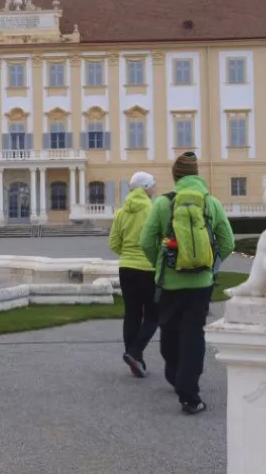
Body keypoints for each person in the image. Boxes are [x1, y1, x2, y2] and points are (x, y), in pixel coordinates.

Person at [140, 152, 234, 415]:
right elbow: (228, 243)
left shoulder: (162, 204)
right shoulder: (210, 203)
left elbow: (146, 242)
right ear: (197, 175)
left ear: (175, 176)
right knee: (193, 334)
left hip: (170, 282)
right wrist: (210, 268)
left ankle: (174, 374)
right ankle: (190, 396)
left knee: (169, 328)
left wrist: (162, 265)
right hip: (200, 283)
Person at [108, 171, 159, 378]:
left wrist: (128, 255)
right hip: (148, 268)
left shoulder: (121, 212)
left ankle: (134, 359)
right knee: (154, 315)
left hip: (126, 268)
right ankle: (135, 353)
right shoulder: (153, 210)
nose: (155, 188)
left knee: (132, 314)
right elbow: (159, 240)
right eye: (153, 185)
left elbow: (113, 243)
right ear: (146, 188)